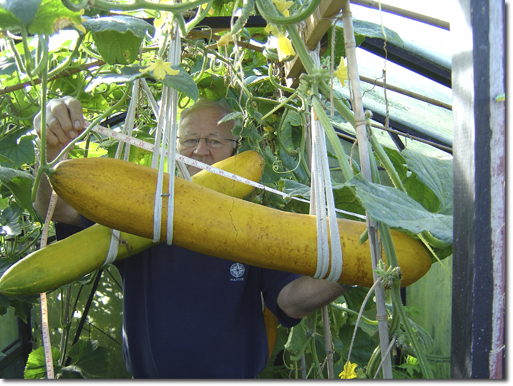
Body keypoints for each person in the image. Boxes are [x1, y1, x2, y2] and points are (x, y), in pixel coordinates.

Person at [33, 96, 347, 379]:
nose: (199, 150)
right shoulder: (140, 210)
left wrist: (355, 266)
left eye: (214, 140)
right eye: (189, 140)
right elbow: (54, 209)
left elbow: (291, 301)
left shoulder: (257, 224)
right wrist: (50, 150)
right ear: (174, 149)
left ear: (235, 149)